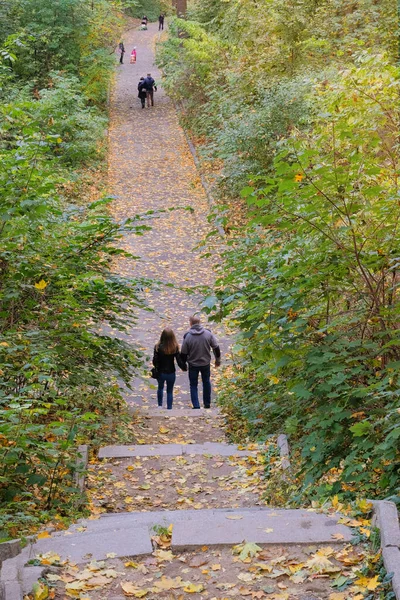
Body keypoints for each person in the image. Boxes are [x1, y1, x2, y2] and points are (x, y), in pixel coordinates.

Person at [181, 315, 221, 409]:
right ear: (199, 322)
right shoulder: (208, 334)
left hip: (193, 364)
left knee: (193, 385)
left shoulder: (188, 337)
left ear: (190, 323)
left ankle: (196, 406)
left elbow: (183, 353)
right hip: (205, 363)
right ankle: (207, 404)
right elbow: (216, 347)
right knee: (206, 382)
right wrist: (217, 360)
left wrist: (183, 365)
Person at [153, 328, 186, 409]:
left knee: (160, 388)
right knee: (169, 391)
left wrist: (156, 366)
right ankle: (169, 408)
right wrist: (184, 367)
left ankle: (160, 405)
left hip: (160, 372)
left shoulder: (157, 347)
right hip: (171, 372)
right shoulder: (174, 347)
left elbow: (155, 360)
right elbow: (178, 360)